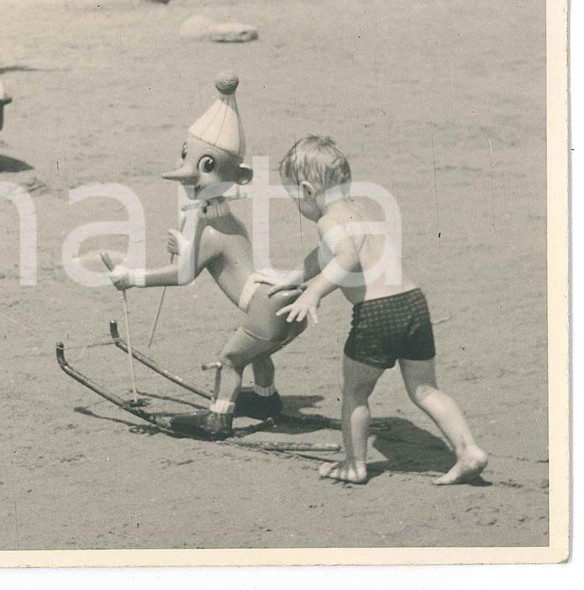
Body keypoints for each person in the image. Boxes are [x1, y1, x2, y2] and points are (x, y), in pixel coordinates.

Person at [268, 136, 488, 484]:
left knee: (355, 391)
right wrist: (294, 275)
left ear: (307, 190)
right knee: (425, 389)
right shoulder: (363, 210)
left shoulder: (327, 221)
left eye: (294, 196)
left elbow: (345, 257)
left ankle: (354, 464)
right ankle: (468, 450)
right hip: (412, 302)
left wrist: (313, 292)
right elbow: (328, 254)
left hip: (377, 312)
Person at [104, 74, 306, 441]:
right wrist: (186, 245)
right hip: (284, 307)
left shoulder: (212, 230)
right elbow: (220, 260)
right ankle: (265, 399)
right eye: (187, 155)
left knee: (230, 360)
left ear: (238, 176)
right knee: (257, 350)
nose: (189, 169)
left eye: (205, 163)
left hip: (266, 307)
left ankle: (218, 418)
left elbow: (183, 275)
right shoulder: (227, 220)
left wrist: (131, 277)